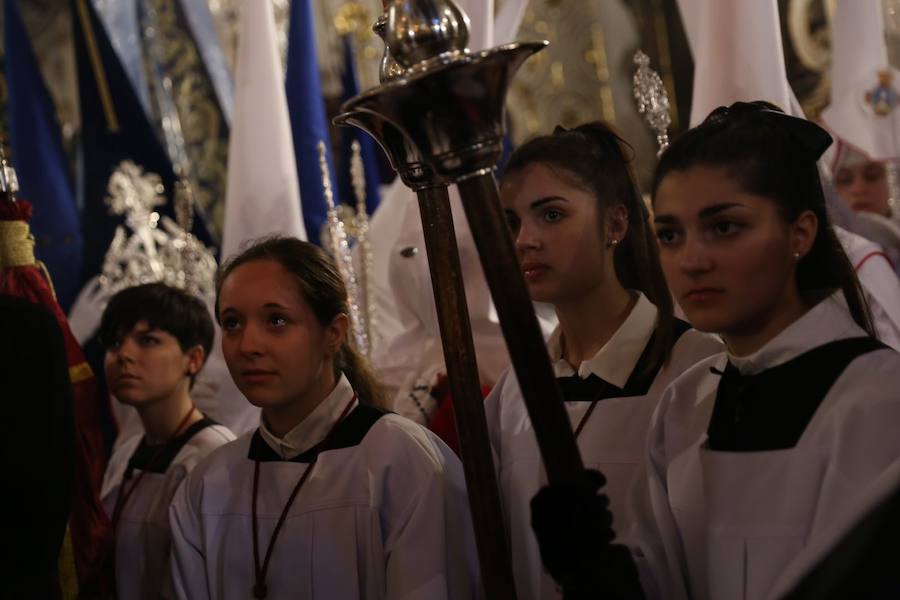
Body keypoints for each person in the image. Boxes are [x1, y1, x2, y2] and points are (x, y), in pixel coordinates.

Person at [531, 102, 900, 600]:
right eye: (670, 235)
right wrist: (597, 571)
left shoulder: (879, 399)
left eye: (724, 227)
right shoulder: (687, 403)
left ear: (801, 233)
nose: (692, 260)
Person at [485, 122, 722, 600]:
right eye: (511, 222)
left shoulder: (696, 369)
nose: (525, 240)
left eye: (551, 215)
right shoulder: (514, 393)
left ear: (615, 224)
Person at [169, 237, 480, 599]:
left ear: (333, 333)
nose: (248, 345)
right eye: (233, 323)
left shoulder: (402, 461)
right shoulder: (208, 483)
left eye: (276, 320)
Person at [99, 283, 235, 600]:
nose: (124, 355)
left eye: (147, 340)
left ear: (194, 359)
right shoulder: (127, 452)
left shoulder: (211, 456)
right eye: (115, 342)